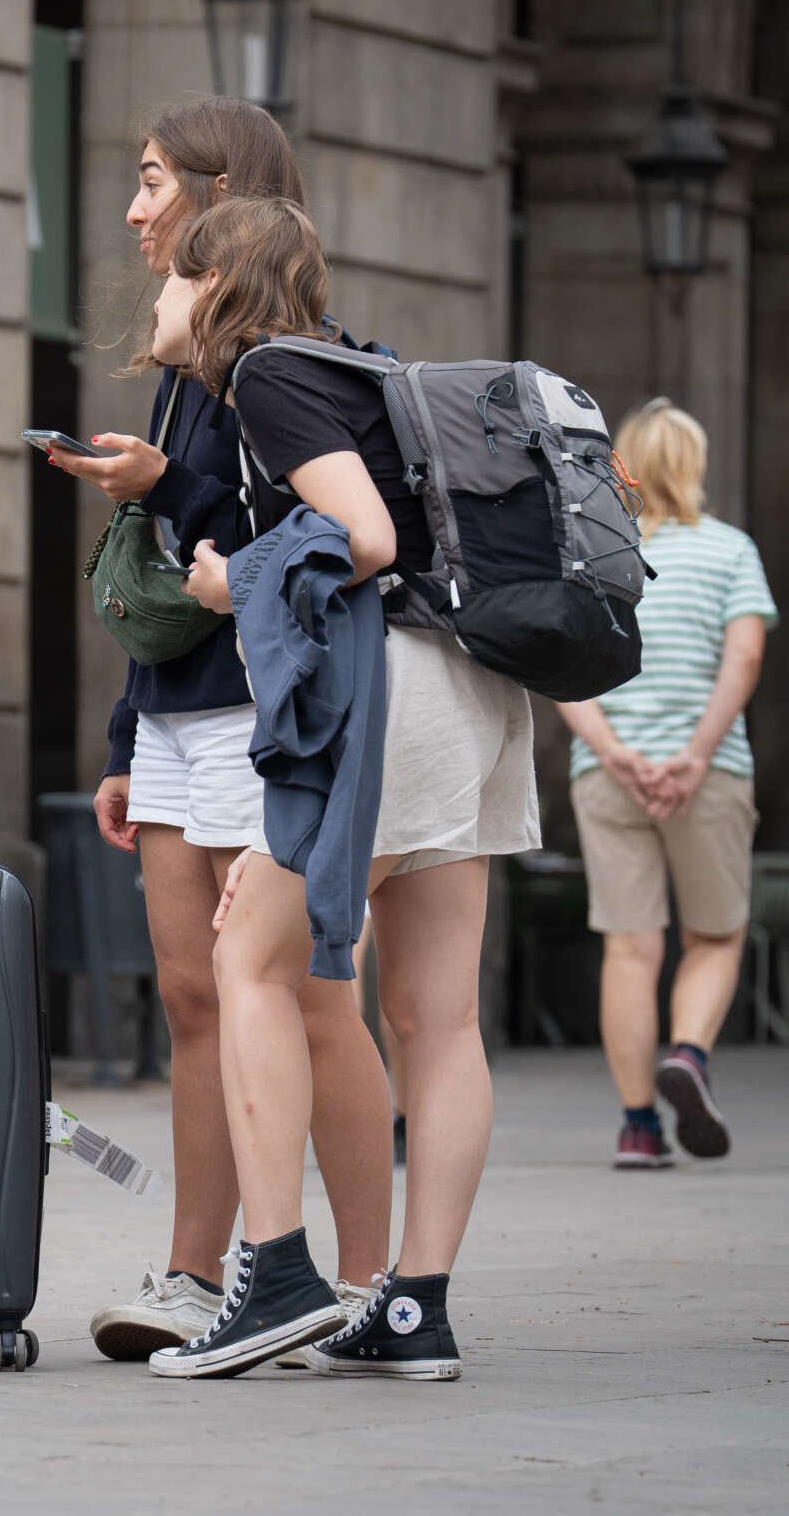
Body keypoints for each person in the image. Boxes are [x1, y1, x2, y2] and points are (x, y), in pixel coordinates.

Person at [154, 197, 538, 1381]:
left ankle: (269, 1272)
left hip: (395, 692)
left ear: (216, 283)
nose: (155, 300)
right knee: (438, 1012)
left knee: (251, 965)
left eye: (171, 277)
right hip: (472, 687)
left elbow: (361, 536)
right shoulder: (351, 366)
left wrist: (229, 581)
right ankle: (410, 1306)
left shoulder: (268, 371)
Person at [36, 100, 396, 1358]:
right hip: (183, 717)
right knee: (195, 995)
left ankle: (361, 1284)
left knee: (303, 995)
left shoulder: (282, 362)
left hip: (269, 710)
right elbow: (164, 584)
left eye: (148, 184)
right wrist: (126, 741)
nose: (133, 212)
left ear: (218, 194)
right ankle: (196, 1272)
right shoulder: (190, 369)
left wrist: (162, 482)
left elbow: (293, 551)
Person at [557, 400, 775, 1167]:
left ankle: (639, 1126)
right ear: (697, 464)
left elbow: (560, 668)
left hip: (609, 776)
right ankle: (687, 1053)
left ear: (626, 468)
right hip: (705, 773)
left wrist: (616, 753)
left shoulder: (590, 549)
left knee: (629, 948)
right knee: (714, 934)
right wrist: (694, 754)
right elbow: (743, 659)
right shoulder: (731, 550)